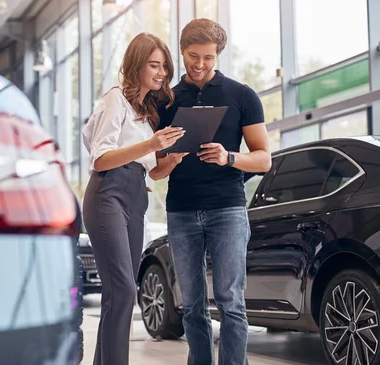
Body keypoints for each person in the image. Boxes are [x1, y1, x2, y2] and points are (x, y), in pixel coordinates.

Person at [151, 18, 272, 365]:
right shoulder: (166, 100)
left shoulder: (242, 95)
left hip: (227, 210)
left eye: (208, 58)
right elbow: (156, 170)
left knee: (230, 300)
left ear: (217, 55)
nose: (200, 65)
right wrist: (170, 160)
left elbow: (263, 159)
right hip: (182, 210)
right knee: (191, 305)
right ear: (182, 51)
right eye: (192, 56)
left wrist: (229, 156)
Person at [81, 32, 187, 365]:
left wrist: (168, 161)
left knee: (120, 294)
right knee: (124, 289)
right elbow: (101, 158)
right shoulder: (116, 99)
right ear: (136, 65)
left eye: (165, 67)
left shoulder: (147, 112)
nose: (161, 73)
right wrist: (152, 146)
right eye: (154, 65)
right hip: (107, 194)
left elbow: (151, 171)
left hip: (135, 196)